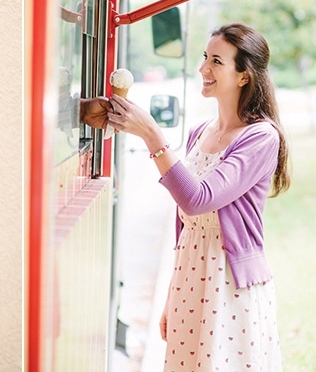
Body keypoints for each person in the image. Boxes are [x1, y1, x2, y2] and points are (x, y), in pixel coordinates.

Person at [107, 23, 290, 372]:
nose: (203, 68)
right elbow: (184, 222)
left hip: (230, 287)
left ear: (243, 76)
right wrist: (172, 296)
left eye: (217, 61)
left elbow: (198, 199)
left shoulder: (260, 138)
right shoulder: (198, 132)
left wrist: (151, 135)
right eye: (205, 57)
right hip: (191, 279)